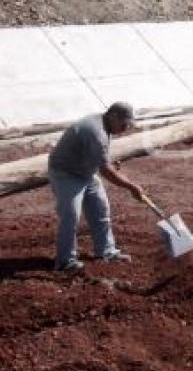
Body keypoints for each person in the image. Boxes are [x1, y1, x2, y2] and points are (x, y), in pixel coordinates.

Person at [48, 102, 145, 272]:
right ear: (113, 116)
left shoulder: (105, 124)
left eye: (128, 125)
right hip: (66, 174)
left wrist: (106, 161)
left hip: (86, 172)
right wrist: (131, 187)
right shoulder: (96, 131)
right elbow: (106, 171)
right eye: (124, 124)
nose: (125, 129)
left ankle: (106, 251)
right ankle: (65, 261)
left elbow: (100, 156)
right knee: (70, 215)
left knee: (101, 210)